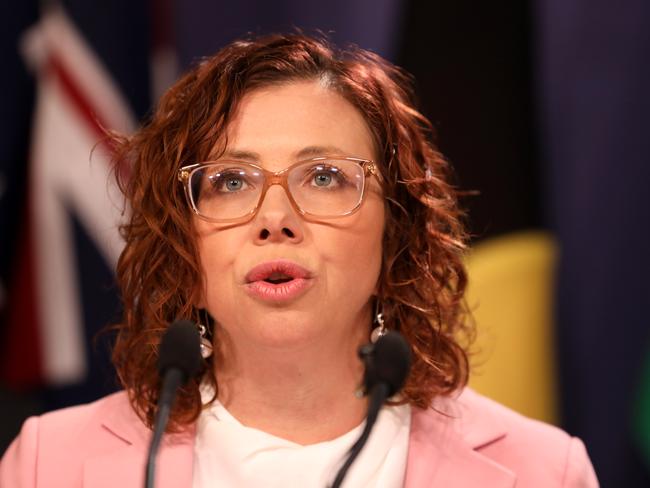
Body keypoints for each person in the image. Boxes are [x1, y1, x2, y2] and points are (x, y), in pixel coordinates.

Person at [0, 33, 598, 487]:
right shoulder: (48, 463)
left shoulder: (543, 471)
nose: (274, 217)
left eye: (324, 176)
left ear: (396, 232)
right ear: (183, 243)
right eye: (231, 181)